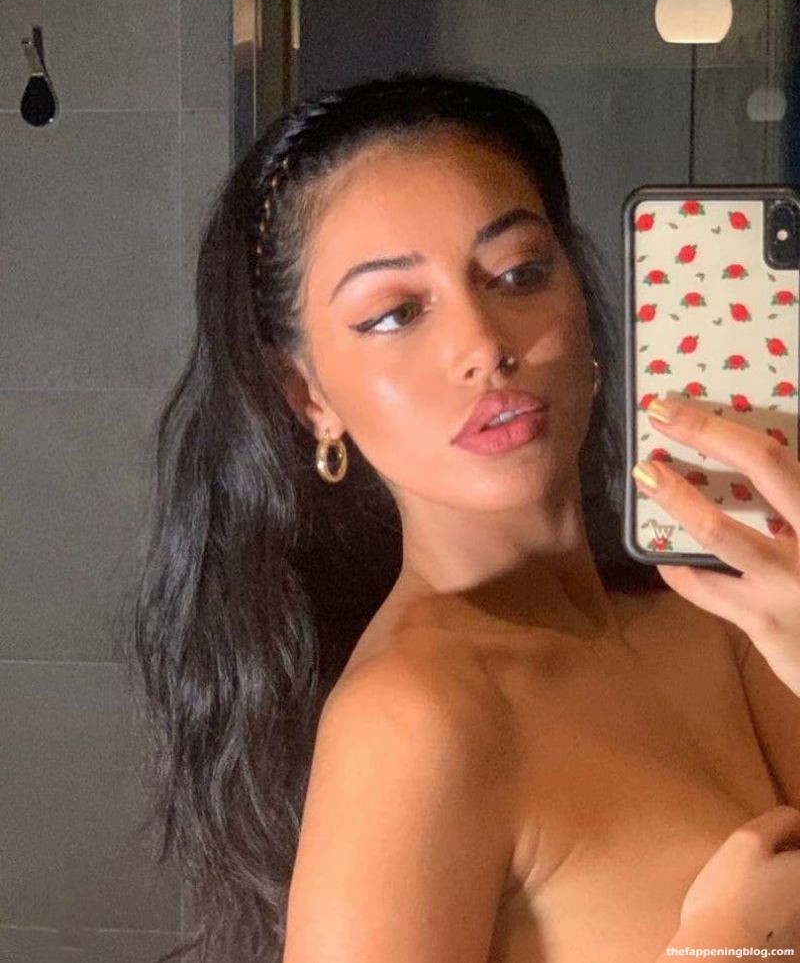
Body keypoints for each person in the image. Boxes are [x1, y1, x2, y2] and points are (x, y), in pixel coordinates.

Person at [124, 70, 800, 963]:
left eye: (519, 273)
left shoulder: (730, 616)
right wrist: (731, 949)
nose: (484, 345)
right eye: (395, 314)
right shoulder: (414, 724)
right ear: (308, 396)